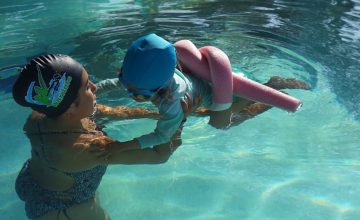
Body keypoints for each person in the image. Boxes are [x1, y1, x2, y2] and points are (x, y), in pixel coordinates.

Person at [12, 54, 192, 220]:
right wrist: (179, 120)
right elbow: (159, 154)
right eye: (86, 87)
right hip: (63, 211)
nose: (95, 87)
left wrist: (161, 113)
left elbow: (113, 113)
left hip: (31, 180)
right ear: (71, 108)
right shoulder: (88, 149)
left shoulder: (42, 114)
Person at [96, 33, 310, 151]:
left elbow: (161, 135)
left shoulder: (173, 101)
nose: (129, 94)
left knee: (226, 123)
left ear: (159, 88)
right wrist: (96, 88)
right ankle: (270, 85)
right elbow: (117, 82)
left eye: (137, 94)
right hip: (217, 80)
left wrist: (122, 146)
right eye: (127, 85)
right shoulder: (146, 79)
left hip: (228, 95)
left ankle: (274, 88)